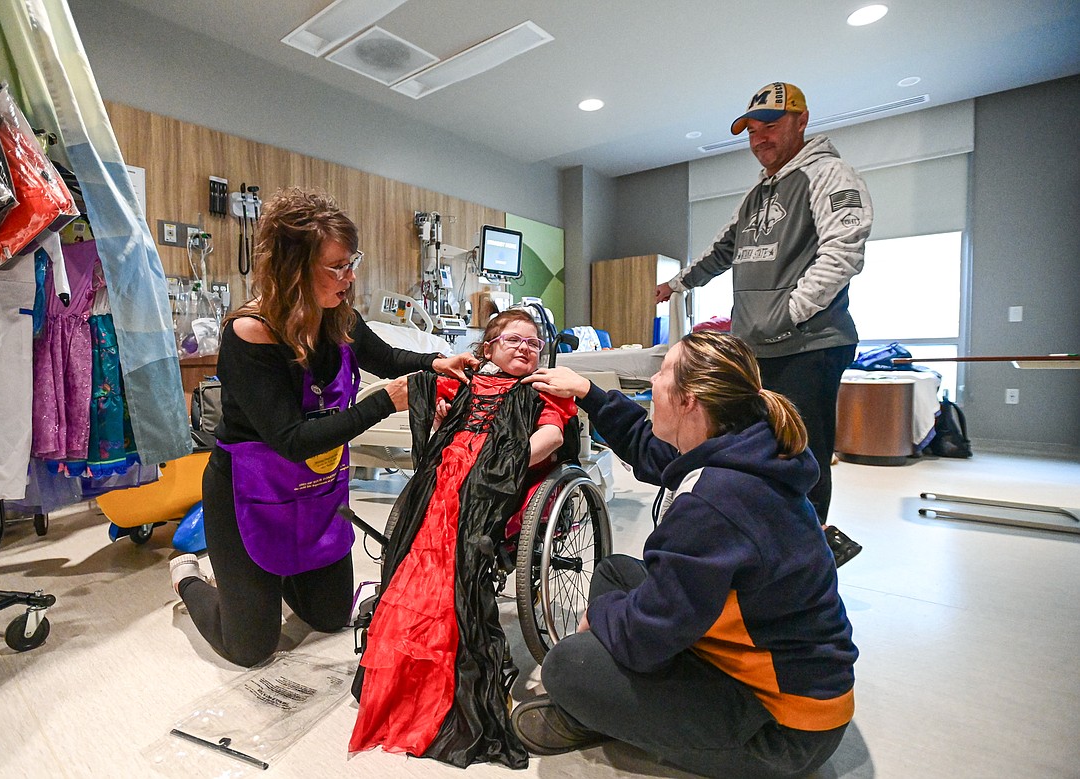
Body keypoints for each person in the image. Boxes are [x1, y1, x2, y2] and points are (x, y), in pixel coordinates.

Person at [516, 331, 857, 779]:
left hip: (783, 729)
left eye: (661, 373)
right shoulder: (744, 447)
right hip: (779, 668)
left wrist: (600, 619)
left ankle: (595, 714)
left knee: (567, 666)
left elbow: (647, 633)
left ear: (689, 400)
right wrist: (588, 394)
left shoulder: (716, 500)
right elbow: (649, 449)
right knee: (617, 572)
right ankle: (622, 705)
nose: (652, 381)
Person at [168, 188, 476, 668]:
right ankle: (190, 578)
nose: (350, 277)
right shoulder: (250, 334)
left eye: (351, 262)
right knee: (250, 648)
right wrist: (386, 402)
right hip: (247, 490)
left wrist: (437, 361)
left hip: (314, 487)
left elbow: (388, 357)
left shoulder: (337, 316)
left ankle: (268, 576)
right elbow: (291, 440)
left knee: (332, 616)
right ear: (294, 266)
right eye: (337, 266)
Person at [655, 82, 871, 566]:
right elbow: (721, 250)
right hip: (759, 348)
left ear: (801, 120)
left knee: (802, 453)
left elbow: (843, 253)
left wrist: (787, 314)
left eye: (770, 126)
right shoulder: (757, 194)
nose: (759, 139)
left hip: (808, 343)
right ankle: (767, 545)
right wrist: (676, 285)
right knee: (759, 449)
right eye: (751, 130)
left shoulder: (829, 174)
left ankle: (807, 560)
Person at [350, 309, 576, 770]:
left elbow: (551, 437)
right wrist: (433, 409)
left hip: (501, 480)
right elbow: (435, 411)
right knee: (414, 545)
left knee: (460, 549)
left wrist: (501, 464)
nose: (525, 348)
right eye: (513, 340)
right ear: (488, 348)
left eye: (533, 344)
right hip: (446, 473)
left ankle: (450, 674)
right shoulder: (467, 382)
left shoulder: (545, 391)